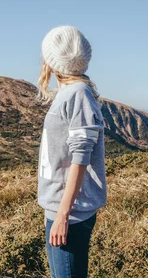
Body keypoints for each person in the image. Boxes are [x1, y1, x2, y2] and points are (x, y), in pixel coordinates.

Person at [36, 25, 107, 278]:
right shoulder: (69, 93)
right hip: (62, 210)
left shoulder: (77, 94)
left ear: (53, 61)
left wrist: (63, 215)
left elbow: (80, 159)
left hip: (70, 214)